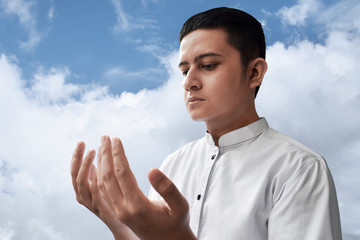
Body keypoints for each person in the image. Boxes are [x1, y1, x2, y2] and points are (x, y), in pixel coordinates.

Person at [71, 7, 342, 240]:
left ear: (254, 72)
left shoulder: (298, 169)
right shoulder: (172, 165)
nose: (189, 82)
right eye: (184, 70)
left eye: (209, 65)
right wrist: (120, 225)